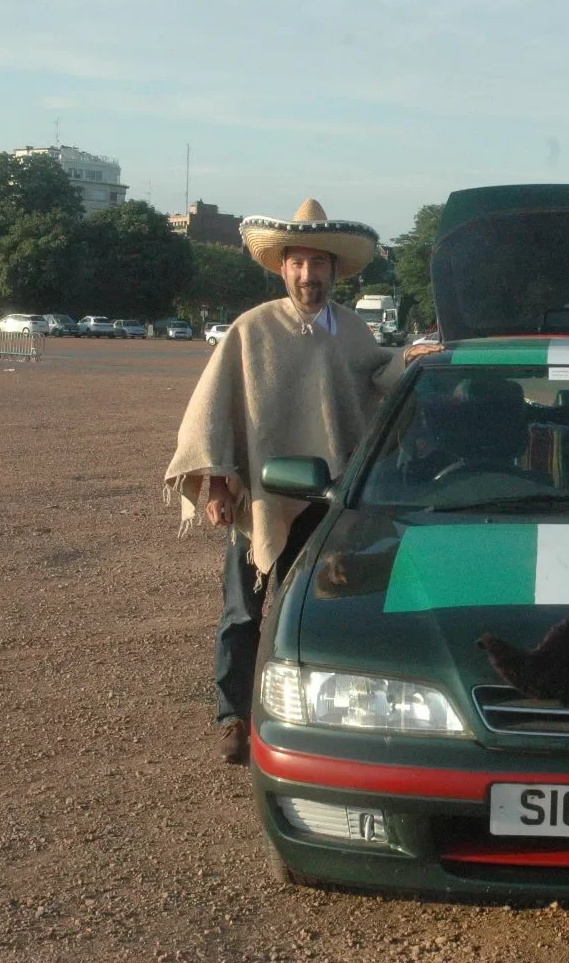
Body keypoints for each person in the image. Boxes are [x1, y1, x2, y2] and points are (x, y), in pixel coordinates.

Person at [165, 197, 407, 765]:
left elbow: (376, 381)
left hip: (328, 502)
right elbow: (215, 409)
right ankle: (234, 718)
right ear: (282, 269)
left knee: (327, 608)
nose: (307, 275)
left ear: (333, 270)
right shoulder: (251, 331)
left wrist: (413, 358)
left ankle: (335, 719)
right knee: (243, 615)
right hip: (262, 500)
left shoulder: (351, 330)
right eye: (297, 264)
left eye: (317, 264)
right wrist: (218, 487)